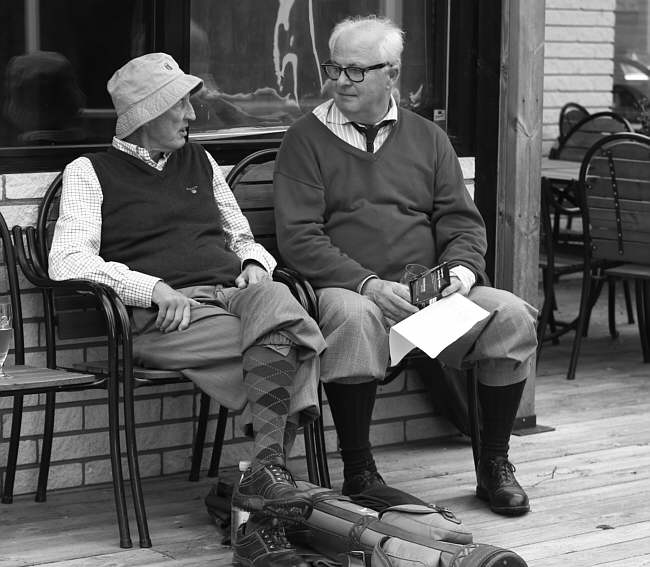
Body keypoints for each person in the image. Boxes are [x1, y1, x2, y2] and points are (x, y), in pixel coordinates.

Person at [49, 52, 325, 566]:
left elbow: (240, 233)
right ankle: (260, 510)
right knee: (297, 340)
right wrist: (148, 287)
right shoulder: (89, 172)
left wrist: (253, 263)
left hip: (232, 297)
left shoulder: (201, 161)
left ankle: (260, 486)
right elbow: (67, 260)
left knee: (278, 302)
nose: (192, 117)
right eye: (181, 106)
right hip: (168, 316)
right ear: (148, 114)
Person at [274, 16, 538, 517]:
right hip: (348, 289)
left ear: (391, 74)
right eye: (335, 68)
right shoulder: (304, 139)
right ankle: (359, 471)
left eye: (356, 71)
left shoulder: (428, 137)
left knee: (511, 316)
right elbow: (299, 239)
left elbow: (462, 223)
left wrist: (458, 276)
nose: (340, 81)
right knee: (353, 318)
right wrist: (368, 284)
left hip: (427, 296)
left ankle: (494, 465)